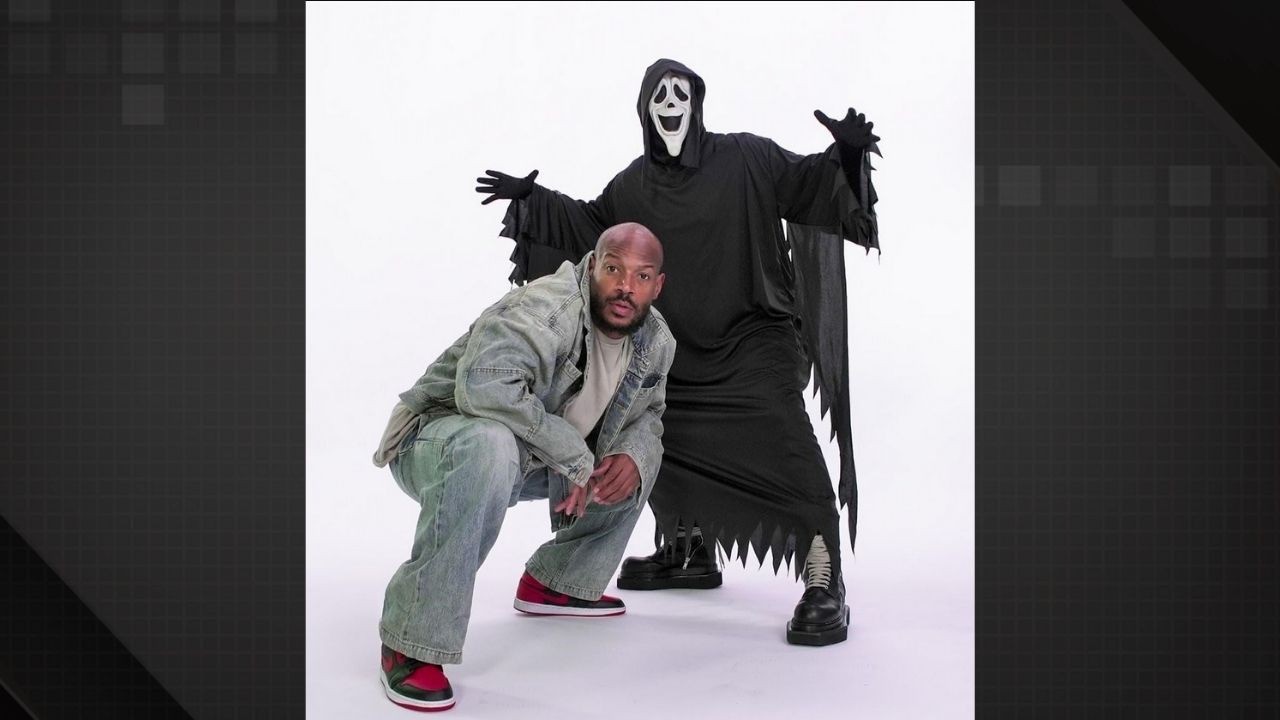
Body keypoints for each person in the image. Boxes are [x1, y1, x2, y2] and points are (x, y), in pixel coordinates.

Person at [475, 58, 881, 646]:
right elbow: (592, 227)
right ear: (645, 108)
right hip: (676, 355)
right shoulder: (634, 185)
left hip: (752, 346)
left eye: (680, 92)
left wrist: (846, 154)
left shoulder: (746, 157)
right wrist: (534, 202)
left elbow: (809, 185)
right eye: (659, 94)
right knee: (647, 426)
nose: (670, 101)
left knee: (786, 442)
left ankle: (824, 572)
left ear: (696, 102)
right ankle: (689, 548)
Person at [371, 222, 674, 711]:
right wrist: (574, 458)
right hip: (437, 440)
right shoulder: (545, 309)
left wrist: (631, 455)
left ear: (657, 286)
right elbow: (484, 388)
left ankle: (558, 581)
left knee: (640, 454)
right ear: (592, 267)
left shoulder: (656, 340)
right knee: (488, 444)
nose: (625, 287)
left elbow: (648, 415)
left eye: (641, 277)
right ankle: (410, 640)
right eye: (613, 269)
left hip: (529, 452)